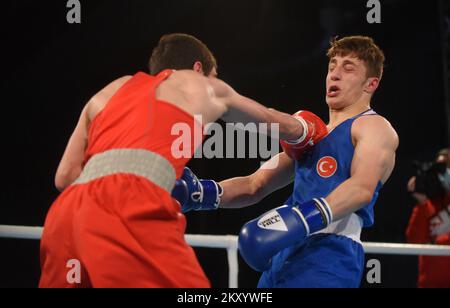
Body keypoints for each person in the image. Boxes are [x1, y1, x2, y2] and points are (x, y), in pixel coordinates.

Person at [39, 33, 327, 288]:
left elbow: (64, 177)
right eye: (214, 75)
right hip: (130, 203)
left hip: (65, 216)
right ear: (199, 69)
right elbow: (269, 121)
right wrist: (306, 129)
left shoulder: (110, 90)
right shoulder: (200, 85)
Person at [173, 36, 399, 288]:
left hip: (330, 255)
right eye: (332, 66)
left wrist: (301, 218)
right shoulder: (314, 138)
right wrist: (201, 193)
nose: (335, 74)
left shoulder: (375, 127)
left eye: (348, 68)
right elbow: (254, 184)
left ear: (371, 83)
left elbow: (362, 189)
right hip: (284, 254)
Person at [406, 148, 450, 288]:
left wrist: (436, 242)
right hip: (429, 284)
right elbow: (414, 242)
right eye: (440, 168)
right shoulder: (428, 205)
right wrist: (422, 202)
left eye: (447, 166)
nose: (443, 172)